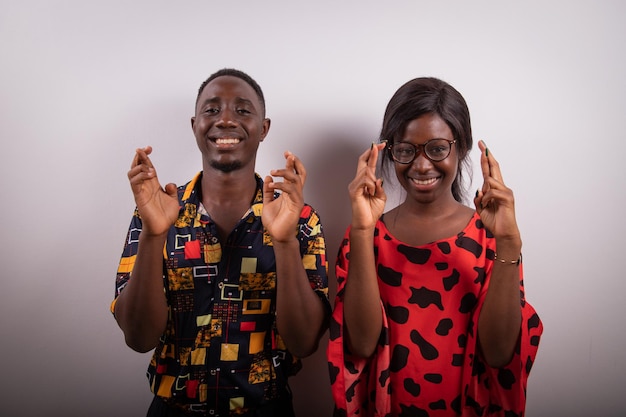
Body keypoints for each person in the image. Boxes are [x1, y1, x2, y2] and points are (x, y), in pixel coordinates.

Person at [111, 68, 330, 417]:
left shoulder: (301, 220)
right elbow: (138, 338)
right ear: (195, 124)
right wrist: (154, 234)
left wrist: (285, 240)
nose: (226, 119)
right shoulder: (156, 210)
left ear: (264, 128)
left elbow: (305, 342)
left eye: (243, 110)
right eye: (212, 110)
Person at [327, 77, 542, 416]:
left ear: (463, 146)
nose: (422, 164)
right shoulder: (367, 235)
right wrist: (362, 231)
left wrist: (509, 244)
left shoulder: (490, 237)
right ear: (389, 151)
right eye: (406, 150)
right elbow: (362, 345)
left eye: (438, 148)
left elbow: (500, 354)